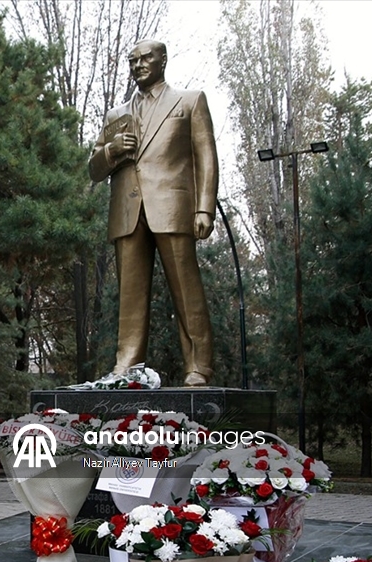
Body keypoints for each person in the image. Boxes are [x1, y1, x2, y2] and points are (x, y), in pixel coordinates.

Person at [89, 39, 218, 387]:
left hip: (174, 208)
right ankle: (127, 364)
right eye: (133, 61)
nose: (139, 65)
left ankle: (198, 366)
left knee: (186, 290)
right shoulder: (116, 115)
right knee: (129, 295)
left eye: (146, 58)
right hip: (128, 211)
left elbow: (206, 156)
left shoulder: (190, 101)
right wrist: (112, 150)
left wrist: (205, 207)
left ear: (163, 60)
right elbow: (93, 168)